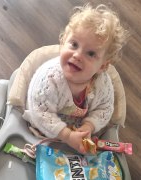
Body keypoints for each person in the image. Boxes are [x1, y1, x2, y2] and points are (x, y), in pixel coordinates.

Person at [23, 4, 128, 154]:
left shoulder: (102, 84)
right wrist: (66, 135)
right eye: (74, 44)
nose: (77, 55)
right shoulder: (50, 79)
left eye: (91, 54)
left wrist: (89, 126)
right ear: (62, 42)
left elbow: (105, 107)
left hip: (78, 136)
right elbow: (40, 112)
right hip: (43, 130)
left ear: (103, 66)